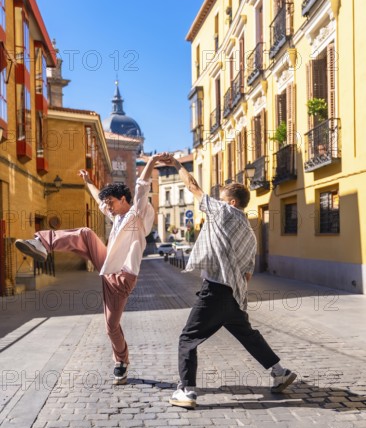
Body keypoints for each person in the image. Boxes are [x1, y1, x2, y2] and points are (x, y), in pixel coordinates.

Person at [15, 153, 168, 385]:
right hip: (108, 265)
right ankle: (42, 243)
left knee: (111, 326)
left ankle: (121, 361)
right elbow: (98, 198)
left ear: (123, 199)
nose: (108, 207)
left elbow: (141, 185)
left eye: (112, 203)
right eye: (107, 204)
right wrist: (87, 181)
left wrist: (153, 160)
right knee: (86, 233)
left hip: (123, 276)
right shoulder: (115, 215)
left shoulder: (136, 214)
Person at [165, 156, 297, 408]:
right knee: (249, 336)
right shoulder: (250, 233)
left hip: (214, 290)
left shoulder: (224, 212)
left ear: (232, 202)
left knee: (187, 339)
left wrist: (177, 165)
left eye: (223, 198)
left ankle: (187, 391)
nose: (217, 202)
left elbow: (192, 187)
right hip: (234, 295)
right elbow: (248, 274)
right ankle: (280, 372)